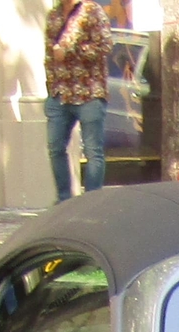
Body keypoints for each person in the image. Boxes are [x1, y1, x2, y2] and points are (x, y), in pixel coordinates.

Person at [44, 0, 111, 199]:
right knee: (55, 147)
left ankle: (91, 199)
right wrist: (51, 87)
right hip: (60, 93)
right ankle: (64, 198)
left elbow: (105, 46)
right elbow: (49, 54)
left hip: (88, 92)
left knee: (93, 151)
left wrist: (72, 50)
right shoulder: (54, 15)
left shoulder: (92, 11)